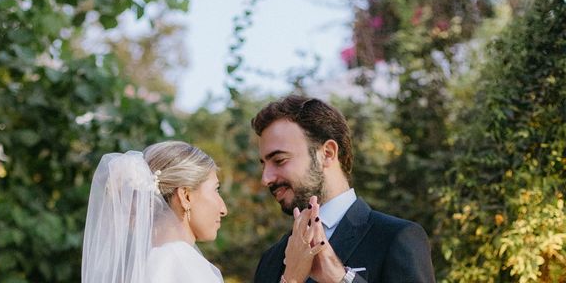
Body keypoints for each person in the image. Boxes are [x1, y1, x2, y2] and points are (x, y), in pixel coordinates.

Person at [251, 95, 435, 283]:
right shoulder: (271, 260)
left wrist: (341, 278)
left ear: (328, 153)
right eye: (264, 165)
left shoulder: (396, 238)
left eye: (279, 160)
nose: (266, 179)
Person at [81, 141, 228, 283]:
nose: (223, 210)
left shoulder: (139, 267)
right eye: (216, 190)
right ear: (185, 196)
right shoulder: (181, 263)